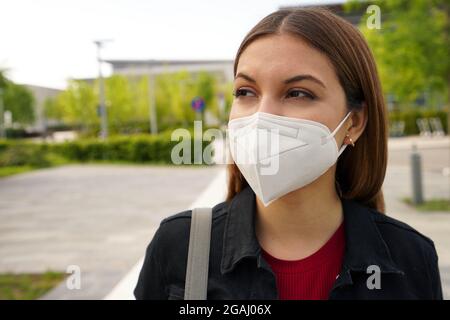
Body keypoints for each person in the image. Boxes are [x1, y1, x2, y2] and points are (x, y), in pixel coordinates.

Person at [134, 7, 443, 300]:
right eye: (245, 92)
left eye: (298, 93)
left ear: (355, 122)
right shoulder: (180, 247)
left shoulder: (410, 257)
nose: (262, 115)